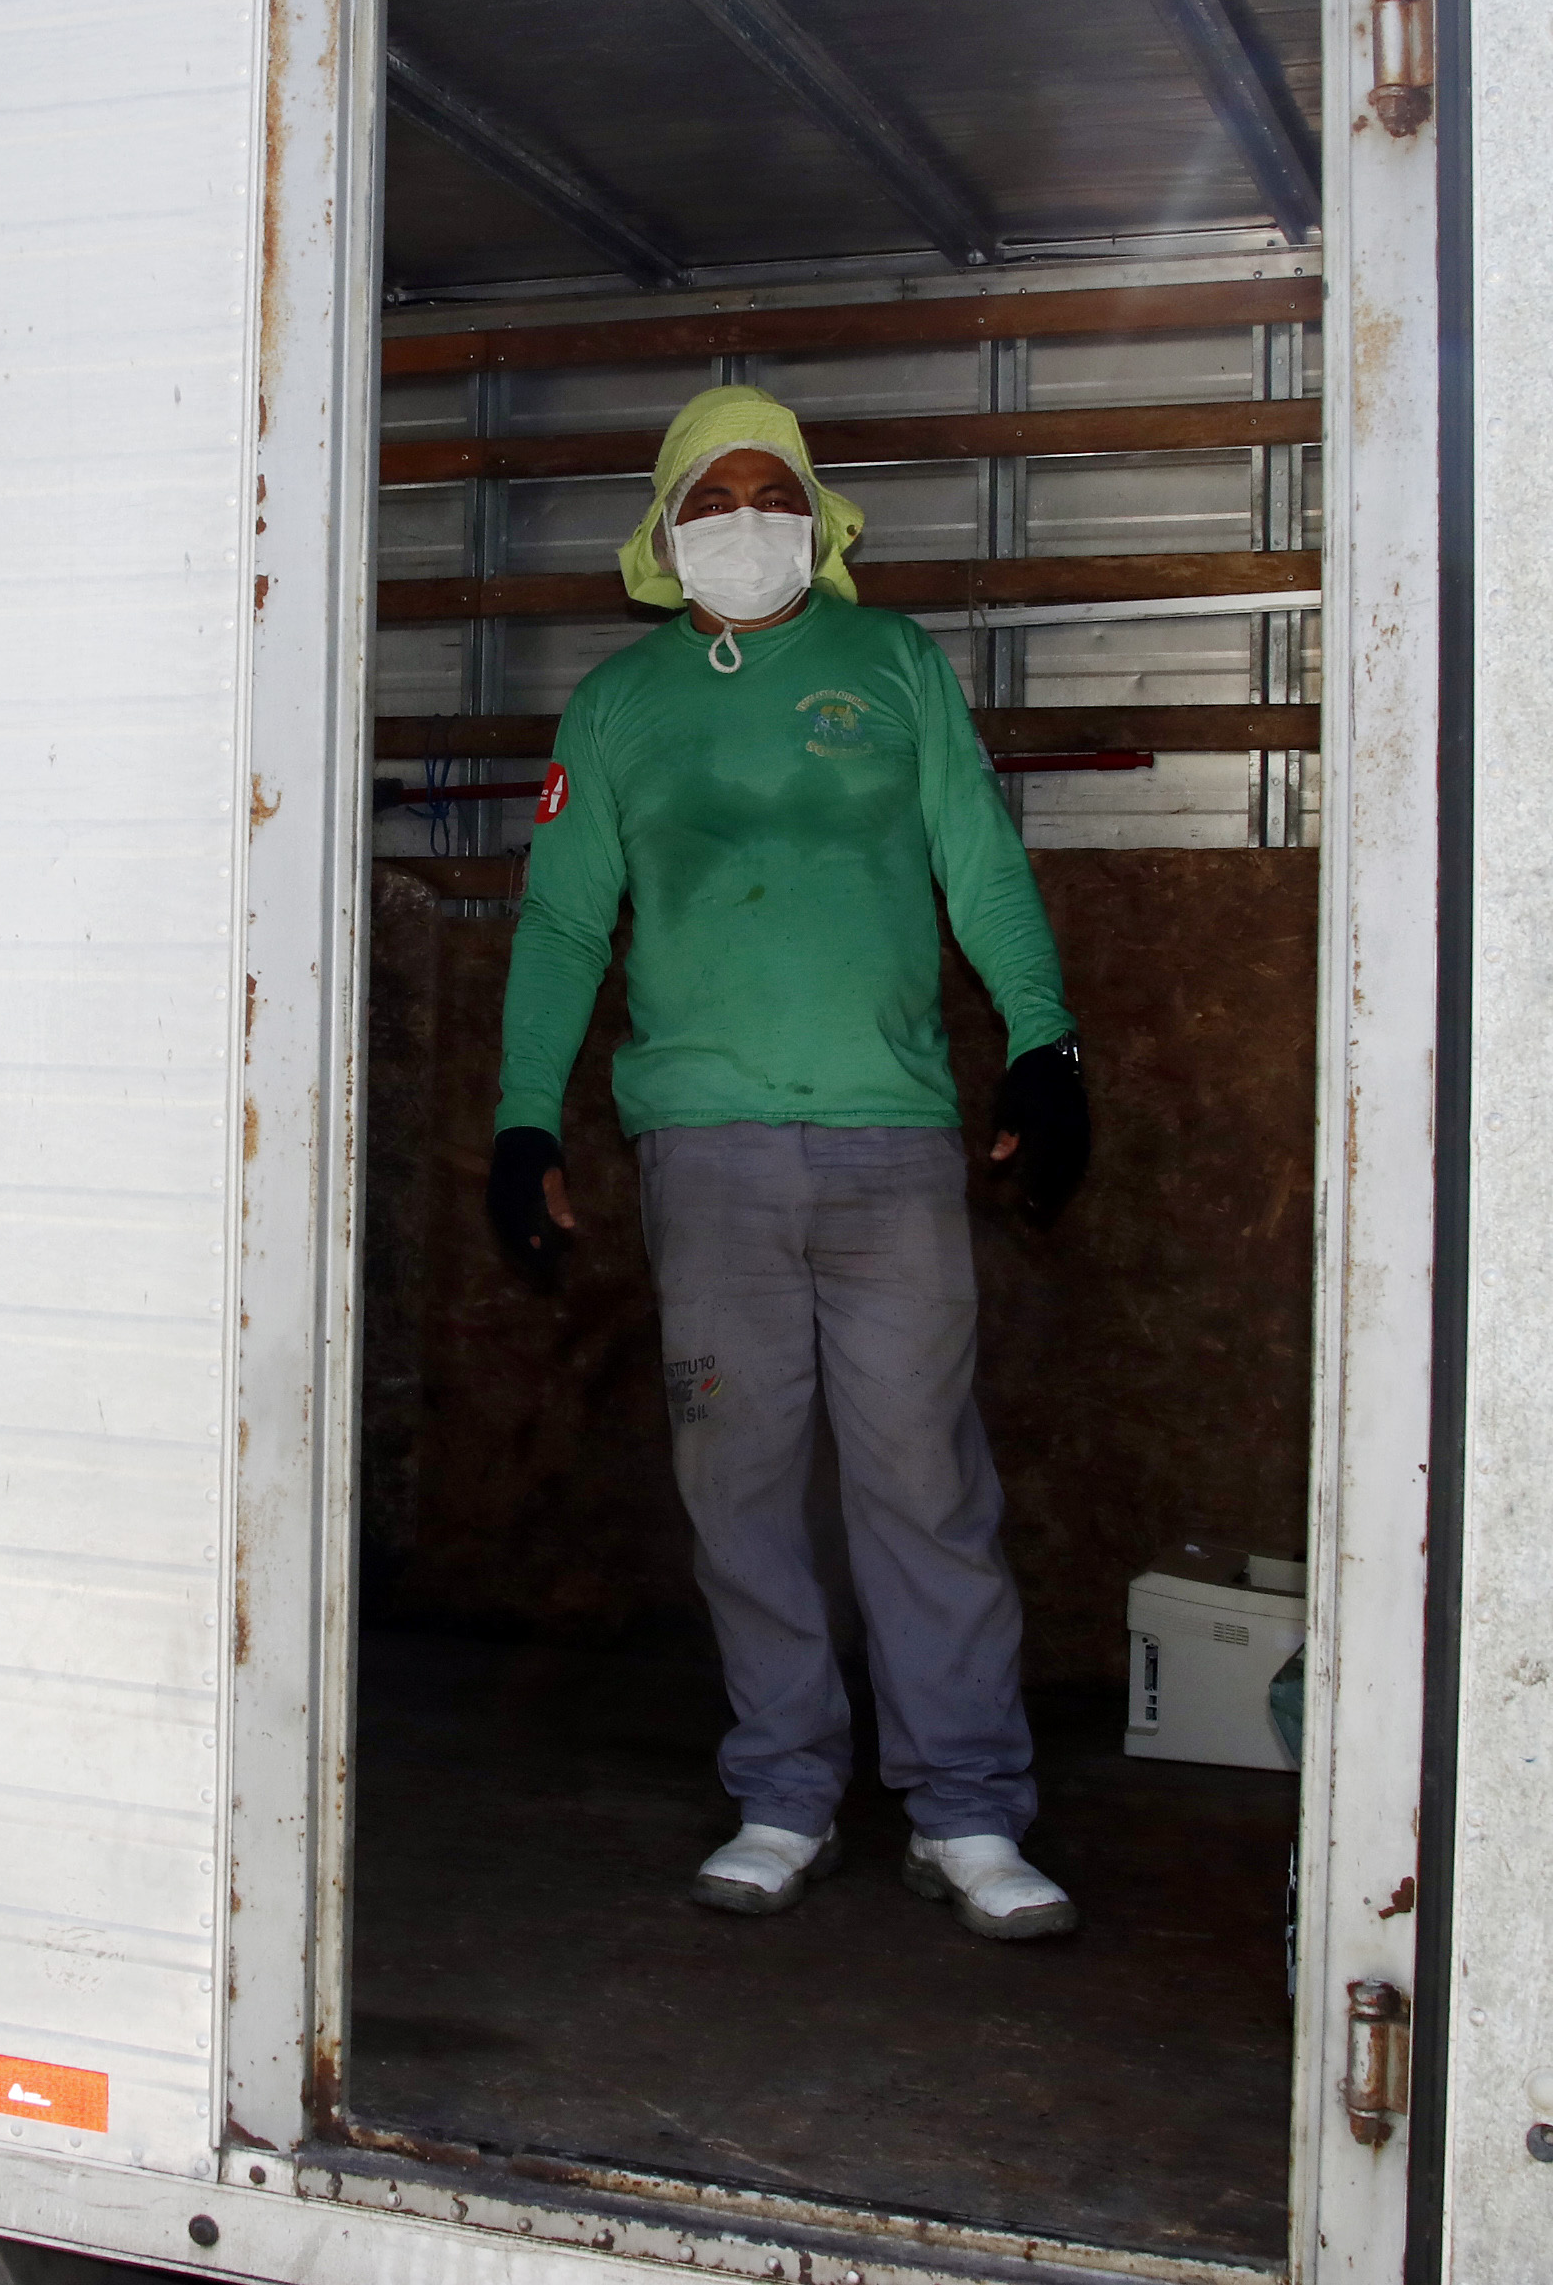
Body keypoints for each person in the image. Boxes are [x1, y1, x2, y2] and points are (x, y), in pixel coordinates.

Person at [484, 383, 1091, 1943]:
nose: (743, 519)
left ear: (817, 523)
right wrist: (523, 1118)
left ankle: (966, 1810)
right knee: (739, 1481)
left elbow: (980, 863)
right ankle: (784, 1794)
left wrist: (1046, 1042)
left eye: (773, 493)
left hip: (892, 1140)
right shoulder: (617, 706)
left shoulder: (892, 665)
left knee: (923, 1477)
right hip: (708, 1149)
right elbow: (563, 922)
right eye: (712, 495)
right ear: (666, 528)